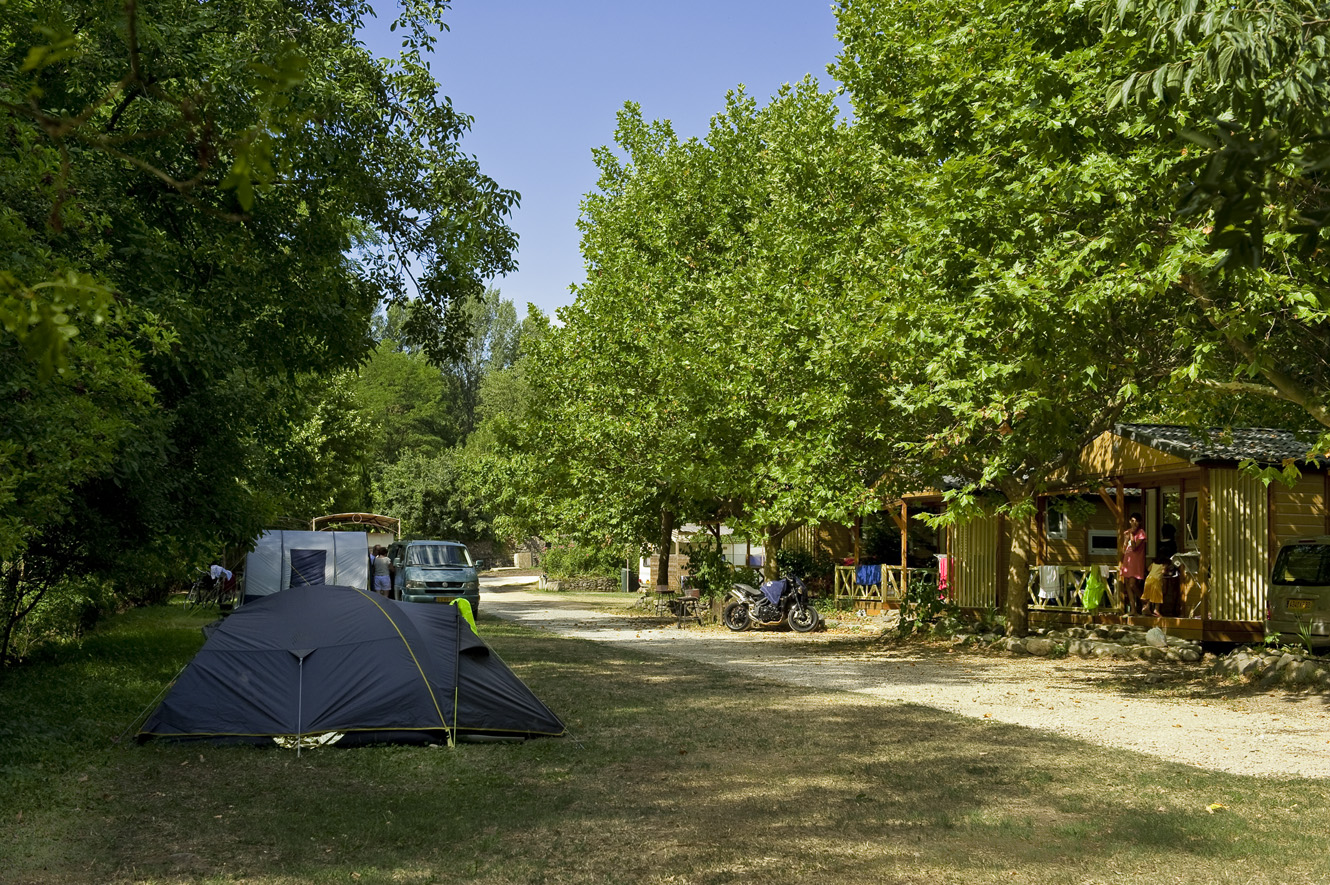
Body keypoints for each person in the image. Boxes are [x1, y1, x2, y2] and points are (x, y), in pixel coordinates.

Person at [1120, 513, 1147, 615]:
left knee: (1132, 584)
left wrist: (1131, 535)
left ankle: (1145, 602)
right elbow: (1123, 549)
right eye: (1132, 520)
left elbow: (1135, 547)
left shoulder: (1141, 533)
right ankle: (1133, 609)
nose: (1133, 523)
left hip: (1136, 561)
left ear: (1139, 522)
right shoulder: (1127, 532)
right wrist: (1126, 539)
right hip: (1128, 559)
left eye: (1136, 521)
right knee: (1127, 584)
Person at [1153, 523, 1180, 617]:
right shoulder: (1172, 543)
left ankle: (1158, 608)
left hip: (1159, 568)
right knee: (1173, 589)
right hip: (1170, 568)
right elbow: (1174, 556)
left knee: (1162, 590)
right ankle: (1173, 609)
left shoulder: (1159, 543)